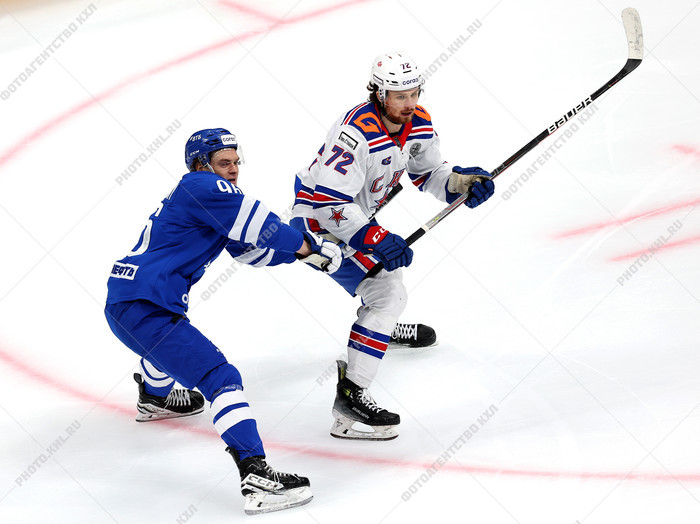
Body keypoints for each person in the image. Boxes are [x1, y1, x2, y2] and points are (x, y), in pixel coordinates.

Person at [104, 128, 342, 515]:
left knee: (169, 346)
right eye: (223, 163)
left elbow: (251, 250)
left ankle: (155, 397)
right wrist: (311, 246)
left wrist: (305, 255)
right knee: (221, 377)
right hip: (145, 308)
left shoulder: (205, 200)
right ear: (201, 165)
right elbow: (264, 226)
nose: (233, 169)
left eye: (235, 162)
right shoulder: (202, 186)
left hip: (129, 303)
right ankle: (256, 476)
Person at [290, 52, 495, 441]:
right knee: (386, 293)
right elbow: (328, 203)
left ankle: (380, 329)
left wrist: (460, 183)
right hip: (318, 225)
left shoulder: (418, 121)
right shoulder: (355, 134)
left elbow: (429, 173)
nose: (409, 103)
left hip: (354, 215)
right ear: (379, 93)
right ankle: (350, 399)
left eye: (414, 93)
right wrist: (375, 237)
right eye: (400, 96)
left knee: (388, 284)